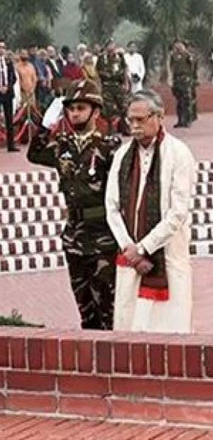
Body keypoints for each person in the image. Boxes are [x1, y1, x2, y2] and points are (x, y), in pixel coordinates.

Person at [28, 80, 121, 330]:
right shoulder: (62, 146)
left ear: (96, 111)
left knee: (108, 312)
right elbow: (34, 153)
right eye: (71, 109)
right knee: (86, 311)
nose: (75, 113)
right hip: (74, 237)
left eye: (81, 107)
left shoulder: (109, 147)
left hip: (103, 238)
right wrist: (46, 124)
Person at [106, 89, 197, 333]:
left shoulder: (178, 154)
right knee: (130, 325)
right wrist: (130, 249)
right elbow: (112, 207)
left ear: (159, 117)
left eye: (140, 119)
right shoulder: (123, 155)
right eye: (130, 120)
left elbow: (178, 213)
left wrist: (144, 248)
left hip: (166, 256)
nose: (134, 126)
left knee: (169, 330)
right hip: (130, 259)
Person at [95, 40, 130, 134]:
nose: (112, 47)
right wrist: (99, 85)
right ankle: (110, 128)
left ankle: (125, 127)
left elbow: (125, 69)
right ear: (106, 47)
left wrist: (126, 83)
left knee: (123, 107)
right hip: (107, 85)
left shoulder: (119, 56)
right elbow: (97, 72)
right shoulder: (102, 58)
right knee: (108, 109)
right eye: (109, 45)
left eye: (113, 45)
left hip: (118, 85)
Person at [169, 40, 195, 128]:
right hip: (176, 79)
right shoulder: (173, 56)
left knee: (187, 101)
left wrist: (190, 78)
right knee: (179, 101)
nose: (178, 47)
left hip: (185, 79)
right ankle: (180, 120)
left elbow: (192, 67)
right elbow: (171, 68)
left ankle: (188, 120)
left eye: (180, 45)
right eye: (176, 46)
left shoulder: (187, 55)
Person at [0, 40, 19, 152]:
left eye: (3, 47)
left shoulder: (8, 62)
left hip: (8, 93)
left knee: (9, 119)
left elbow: (13, 77)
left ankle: (11, 145)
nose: (1, 49)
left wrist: (8, 86)